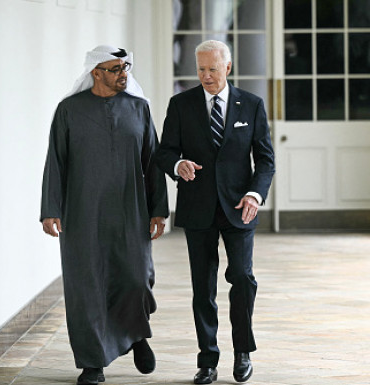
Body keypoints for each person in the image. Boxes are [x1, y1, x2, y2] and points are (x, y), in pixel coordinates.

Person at [40, 45, 169, 385]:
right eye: (114, 69)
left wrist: (158, 209)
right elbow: (56, 161)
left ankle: (137, 335)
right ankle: (92, 362)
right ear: (96, 72)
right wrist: (50, 209)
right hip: (82, 212)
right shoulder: (69, 110)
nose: (122, 73)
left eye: (125, 67)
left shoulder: (139, 109)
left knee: (136, 278)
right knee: (87, 287)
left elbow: (152, 162)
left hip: (131, 211)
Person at [155, 40, 275, 384]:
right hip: (198, 208)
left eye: (212, 69)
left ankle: (242, 352)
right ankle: (207, 360)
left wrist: (255, 194)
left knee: (242, 278)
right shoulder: (181, 105)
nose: (206, 76)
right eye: (201, 69)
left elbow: (265, 158)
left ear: (228, 67)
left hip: (240, 208)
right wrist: (178, 165)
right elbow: (165, 152)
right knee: (202, 288)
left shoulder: (251, 105)